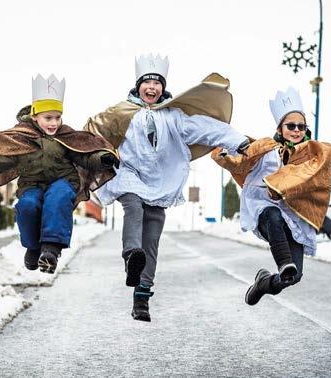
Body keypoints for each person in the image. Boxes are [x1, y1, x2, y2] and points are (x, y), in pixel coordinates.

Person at [85, 54, 250, 321]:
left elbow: (208, 128)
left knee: (151, 239)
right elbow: (92, 132)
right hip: (127, 173)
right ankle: (130, 254)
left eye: (156, 83)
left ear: (163, 87)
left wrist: (239, 142)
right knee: (132, 206)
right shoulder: (120, 112)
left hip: (160, 181)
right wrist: (98, 155)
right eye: (146, 83)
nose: (151, 88)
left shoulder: (174, 117)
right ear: (138, 85)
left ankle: (142, 298)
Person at [0, 74, 118, 274]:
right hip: (31, 185)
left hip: (63, 181)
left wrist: (101, 159)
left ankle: (51, 249)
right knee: (27, 206)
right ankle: (33, 247)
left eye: (57, 117)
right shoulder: (19, 140)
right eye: (48, 118)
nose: (54, 123)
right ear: (34, 117)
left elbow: (84, 155)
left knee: (58, 197)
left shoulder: (65, 136)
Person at [211, 87, 331, 305]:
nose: (296, 130)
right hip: (263, 210)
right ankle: (283, 262)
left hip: (295, 217)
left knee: (293, 277)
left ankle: (264, 283)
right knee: (272, 214)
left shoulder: (311, 158)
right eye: (291, 126)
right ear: (280, 127)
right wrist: (225, 157)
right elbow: (241, 159)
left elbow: (317, 184)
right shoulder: (266, 147)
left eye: (301, 126)